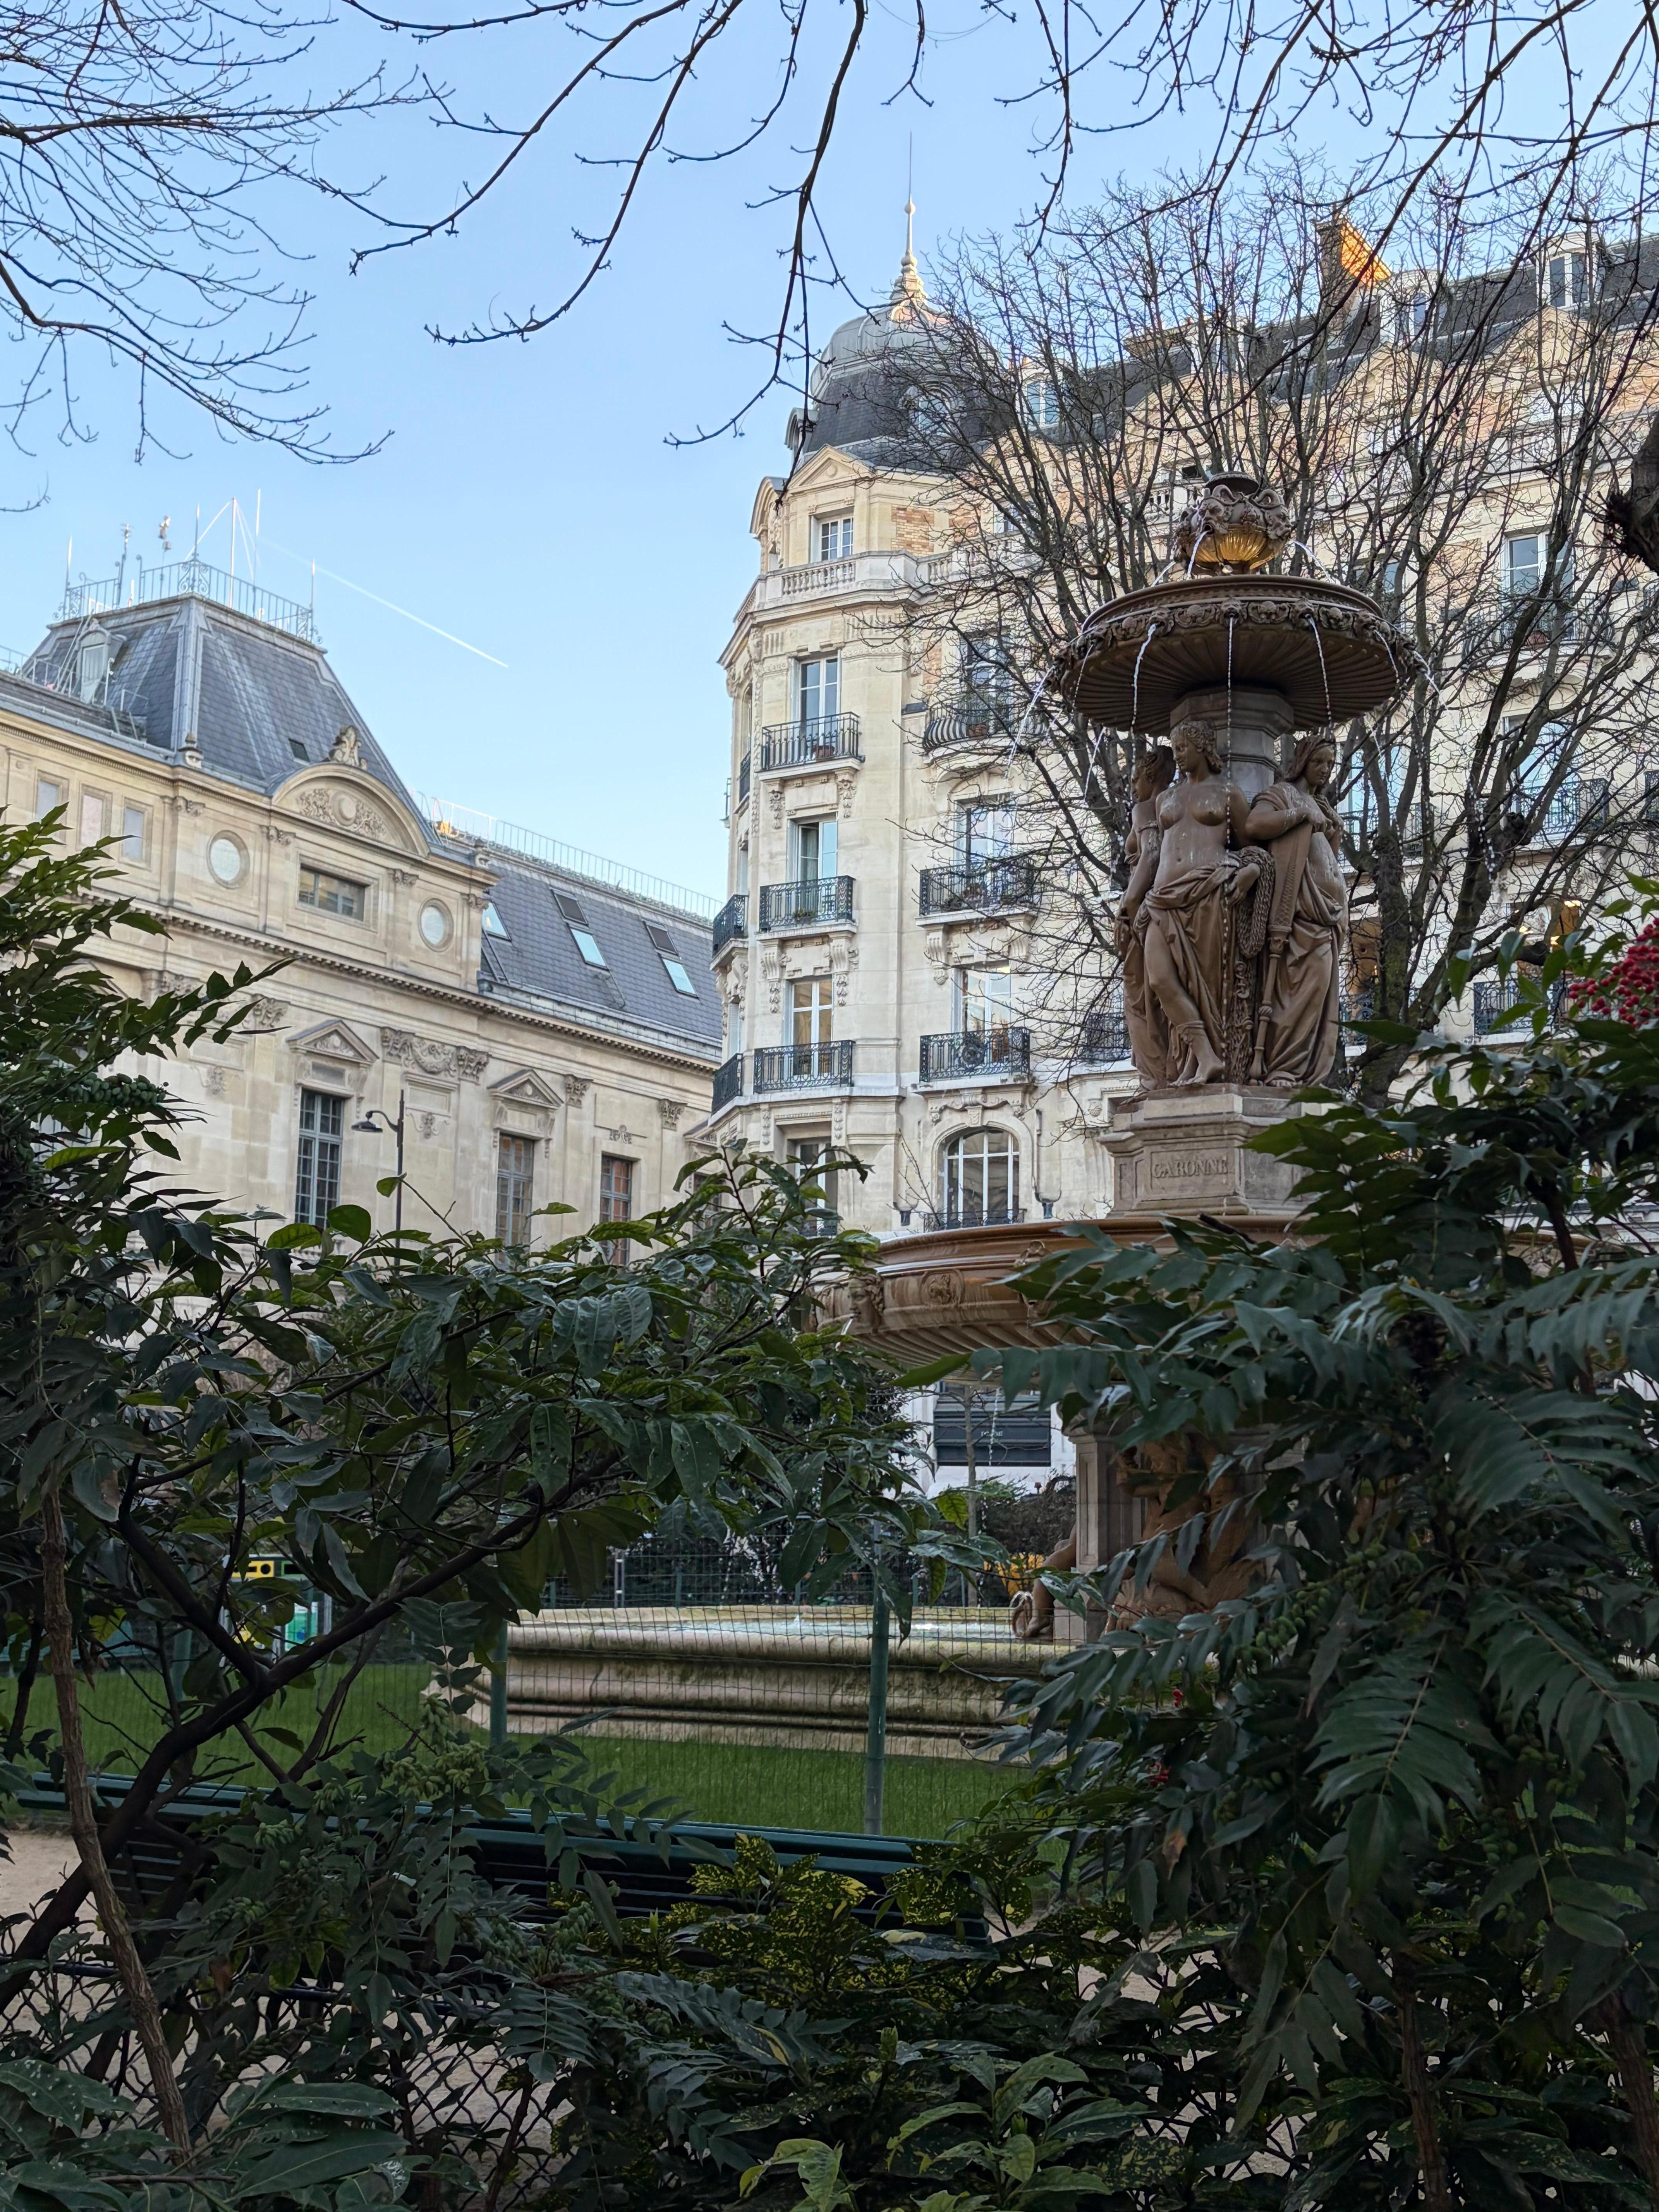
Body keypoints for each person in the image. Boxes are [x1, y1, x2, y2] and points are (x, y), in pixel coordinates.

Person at [1119, 716, 1263, 1085]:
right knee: (1161, 980)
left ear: (1203, 747)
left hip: (1209, 892)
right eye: (1176, 749)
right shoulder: (1166, 798)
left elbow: (1253, 847)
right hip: (1163, 898)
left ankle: (1209, 1060)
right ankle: (1204, 1054)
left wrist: (1251, 871)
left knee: (1210, 988)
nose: (1178, 757)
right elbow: (1151, 853)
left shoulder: (1228, 793)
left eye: (1183, 748)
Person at [1242, 732, 1348, 1085]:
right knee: (1298, 992)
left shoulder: (1323, 805)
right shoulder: (1283, 794)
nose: (1326, 770)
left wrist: (1333, 832)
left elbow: (1324, 856)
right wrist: (1299, 813)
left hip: (1326, 912)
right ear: (1303, 761)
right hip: (1298, 912)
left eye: (1331, 764)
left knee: (1317, 997)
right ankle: (1284, 1067)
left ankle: (1303, 1070)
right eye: (1320, 762)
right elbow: (1254, 825)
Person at [1115, 746, 1176, 1080]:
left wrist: (1128, 906)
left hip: (1147, 904)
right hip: (1168, 902)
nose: (1133, 787)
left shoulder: (1146, 808)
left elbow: (1150, 856)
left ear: (1150, 777)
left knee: (1140, 990)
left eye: (1136, 778)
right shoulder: (1175, 802)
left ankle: (1157, 1074)